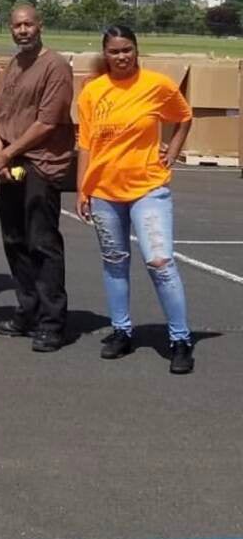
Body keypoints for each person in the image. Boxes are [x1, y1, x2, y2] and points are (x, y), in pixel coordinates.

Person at [77, 26, 195, 374]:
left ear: (136, 50)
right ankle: (121, 330)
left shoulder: (156, 85)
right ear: (105, 54)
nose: (122, 57)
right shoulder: (92, 92)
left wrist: (171, 152)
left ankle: (180, 339)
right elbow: (85, 143)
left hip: (147, 189)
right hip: (105, 191)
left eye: (127, 50)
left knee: (160, 263)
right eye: (115, 51)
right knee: (114, 260)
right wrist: (83, 188)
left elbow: (184, 117)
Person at [0, 4, 74, 353]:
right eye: (17, 25)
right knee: (14, 240)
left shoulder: (54, 66)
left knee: (42, 242)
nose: (23, 30)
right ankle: (28, 309)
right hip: (9, 164)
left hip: (40, 164)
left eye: (28, 24)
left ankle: (52, 321)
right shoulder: (13, 65)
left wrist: (8, 153)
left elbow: (47, 122)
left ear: (40, 25)